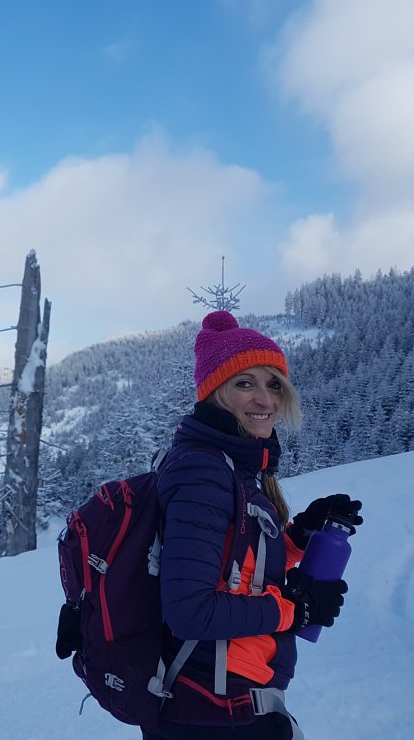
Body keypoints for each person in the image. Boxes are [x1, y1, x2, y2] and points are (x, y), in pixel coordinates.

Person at [146, 310, 363, 740]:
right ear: (214, 392)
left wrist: (299, 536)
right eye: (244, 383)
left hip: (224, 697)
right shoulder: (204, 472)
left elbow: (235, 562)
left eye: (273, 384)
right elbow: (190, 611)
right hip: (212, 706)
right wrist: (296, 609)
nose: (265, 400)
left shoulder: (232, 466)